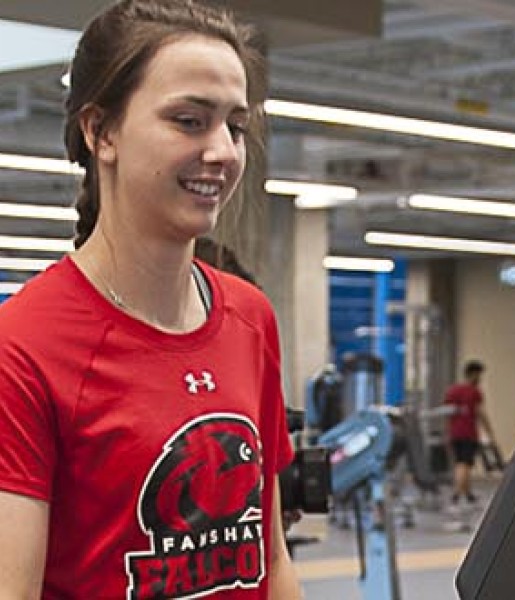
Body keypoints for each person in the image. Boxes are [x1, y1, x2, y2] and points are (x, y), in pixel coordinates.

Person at [0, 1, 302, 598]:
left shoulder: (250, 318)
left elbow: (272, 560)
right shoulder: (22, 346)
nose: (224, 151)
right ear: (101, 131)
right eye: (189, 121)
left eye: (235, 127)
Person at [445, 360, 496, 507]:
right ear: (472, 374)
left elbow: (448, 414)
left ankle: (468, 494)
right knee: (465, 464)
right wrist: (490, 432)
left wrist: (448, 432)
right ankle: (457, 494)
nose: (480, 378)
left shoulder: (452, 391)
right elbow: (480, 413)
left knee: (460, 463)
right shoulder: (474, 392)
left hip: (455, 434)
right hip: (468, 433)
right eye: (478, 375)